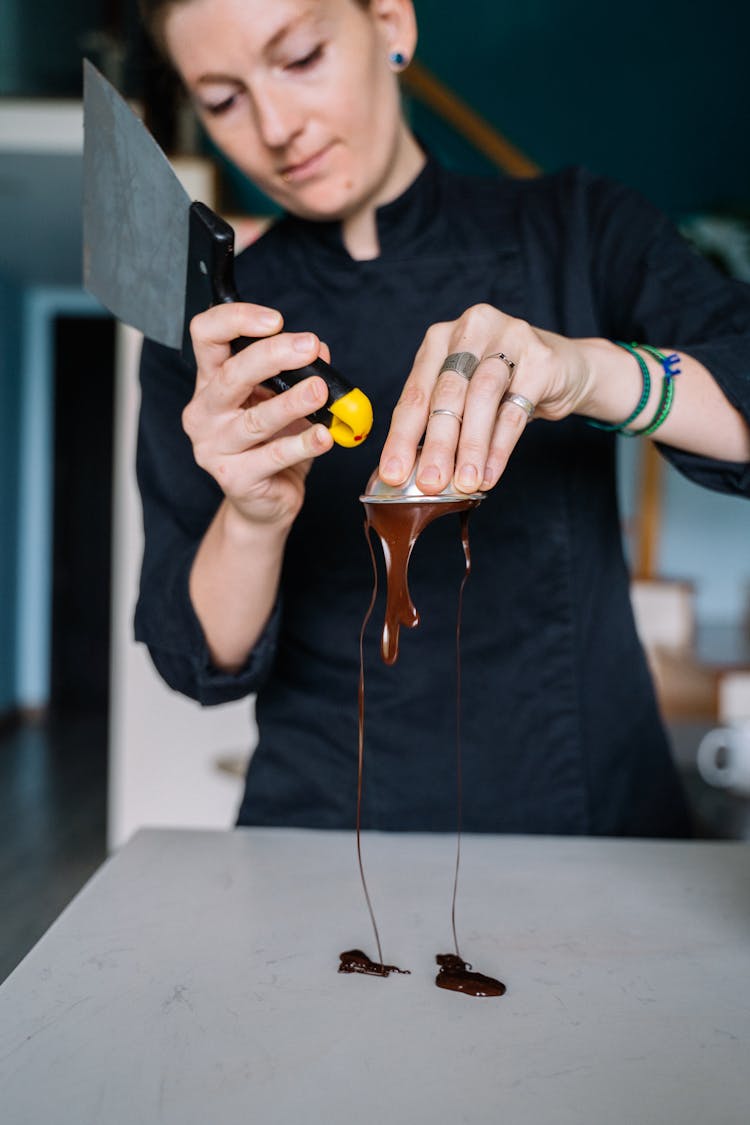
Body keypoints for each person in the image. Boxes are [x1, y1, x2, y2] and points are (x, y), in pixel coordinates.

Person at [135, 0, 750, 837]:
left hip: (590, 820)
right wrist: (252, 517)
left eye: (301, 56)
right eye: (223, 99)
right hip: (321, 829)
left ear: (391, 24)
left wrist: (590, 372)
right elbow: (198, 655)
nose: (275, 127)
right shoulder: (217, 332)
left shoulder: (578, 229)